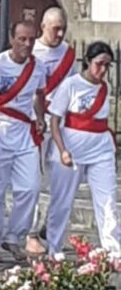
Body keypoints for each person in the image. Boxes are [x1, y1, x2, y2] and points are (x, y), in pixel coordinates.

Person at [0, 21, 45, 264]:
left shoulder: (38, 67)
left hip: (25, 134)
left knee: (30, 187)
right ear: (11, 39)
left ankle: (14, 237)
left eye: (31, 40)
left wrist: (39, 117)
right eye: (22, 39)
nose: (27, 44)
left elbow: (39, 93)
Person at [49, 41, 120, 257]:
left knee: (107, 198)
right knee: (62, 201)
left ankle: (113, 249)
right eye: (99, 64)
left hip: (100, 148)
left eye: (107, 66)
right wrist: (62, 149)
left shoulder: (104, 88)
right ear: (88, 61)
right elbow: (55, 120)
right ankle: (54, 248)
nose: (103, 70)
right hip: (72, 147)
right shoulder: (71, 85)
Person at [26, 7, 77, 257]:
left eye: (62, 29)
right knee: (34, 179)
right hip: (36, 120)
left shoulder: (68, 54)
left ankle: (51, 227)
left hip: (61, 123)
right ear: (43, 27)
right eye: (55, 28)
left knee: (63, 176)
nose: (59, 33)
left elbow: (74, 86)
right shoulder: (31, 51)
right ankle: (30, 233)